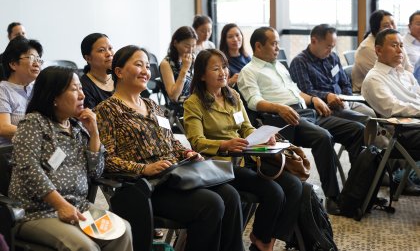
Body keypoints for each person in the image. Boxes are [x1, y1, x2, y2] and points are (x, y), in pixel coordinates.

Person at [95, 45, 244, 251]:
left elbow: (172, 142)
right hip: (147, 187)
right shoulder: (107, 110)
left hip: (176, 176)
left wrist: (187, 152)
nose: (146, 71)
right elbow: (106, 160)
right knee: (212, 204)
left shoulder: (153, 106)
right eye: (139, 65)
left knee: (231, 195)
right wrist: (144, 169)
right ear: (119, 72)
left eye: (147, 66)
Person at [237, 26, 365, 215]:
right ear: (258, 46)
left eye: (278, 44)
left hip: (306, 113)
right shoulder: (249, 71)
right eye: (273, 44)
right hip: (283, 119)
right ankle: (333, 197)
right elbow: (254, 102)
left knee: (357, 129)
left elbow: (297, 93)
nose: (277, 48)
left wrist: (313, 99)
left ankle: (354, 194)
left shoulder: (279, 66)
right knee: (323, 137)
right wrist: (279, 107)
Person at [184, 49, 302, 251]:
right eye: (215, 68)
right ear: (202, 75)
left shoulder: (233, 96)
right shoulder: (194, 103)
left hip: (247, 159)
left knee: (294, 186)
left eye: (224, 67)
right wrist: (224, 145)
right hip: (219, 166)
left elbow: (246, 127)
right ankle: (262, 242)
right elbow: (197, 142)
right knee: (274, 192)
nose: (223, 72)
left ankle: (263, 239)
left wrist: (263, 135)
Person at [8, 66, 133, 251]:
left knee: (123, 231)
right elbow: (28, 168)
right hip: (37, 212)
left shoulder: (77, 128)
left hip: (78, 206)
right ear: (54, 97)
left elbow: (95, 172)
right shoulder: (34, 123)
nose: (82, 95)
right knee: (84, 247)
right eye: (74, 89)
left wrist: (94, 133)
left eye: (81, 88)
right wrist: (61, 205)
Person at [362, 28, 420, 193]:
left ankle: (404, 178)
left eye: (401, 45)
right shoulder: (374, 79)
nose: (400, 50)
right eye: (394, 45)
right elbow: (392, 108)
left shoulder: (405, 74)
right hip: (401, 132)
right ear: (378, 50)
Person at [289, 24, 374, 122]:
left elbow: (345, 83)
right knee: (367, 121)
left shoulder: (333, 57)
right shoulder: (300, 62)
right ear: (314, 41)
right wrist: (327, 96)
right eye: (328, 46)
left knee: (373, 114)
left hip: (344, 102)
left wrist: (346, 98)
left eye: (333, 47)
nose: (330, 51)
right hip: (325, 106)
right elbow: (306, 92)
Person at [352, 10, 413, 92]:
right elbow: (383, 76)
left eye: (393, 23)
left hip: (398, 86)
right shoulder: (367, 48)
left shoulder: (396, 41)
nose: (391, 27)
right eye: (386, 25)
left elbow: (408, 68)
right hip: (370, 93)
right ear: (376, 28)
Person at [0, 36, 43, 146]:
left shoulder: (38, 88)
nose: (37, 64)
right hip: (9, 154)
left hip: (36, 150)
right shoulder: (3, 90)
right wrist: (40, 133)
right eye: (31, 58)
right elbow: (3, 127)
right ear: (13, 64)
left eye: (38, 59)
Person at [160, 26, 197, 104]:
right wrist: (184, 69)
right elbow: (174, 97)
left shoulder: (193, 58)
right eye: (186, 46)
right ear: (175, 43)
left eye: (193, 46)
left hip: (196, 102)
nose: (190, 50)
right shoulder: (166, 63)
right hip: (181, 107)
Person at [80, 33, 114, 109]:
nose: (109, 53)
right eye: (101, 50)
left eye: (110, 48)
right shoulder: (83, 87)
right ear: (88, 58)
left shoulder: (120, 76)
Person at [219, 23, 251, 87]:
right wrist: (230, 81)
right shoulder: (221, 60)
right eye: (230, 37)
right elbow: (215, 86)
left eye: (237, 35)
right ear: (224, 40)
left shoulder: (247, 57)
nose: (235, 39)